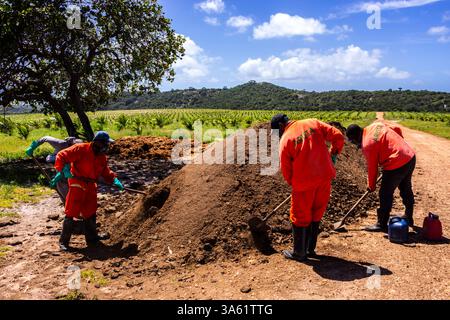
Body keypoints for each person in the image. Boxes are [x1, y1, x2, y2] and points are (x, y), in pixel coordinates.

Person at [272, 114, 345, 262]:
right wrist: (333, 153)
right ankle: (310, 249)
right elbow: (338, 136)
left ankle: (299, 252)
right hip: (325, 178)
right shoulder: (312, 122)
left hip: (304, 184)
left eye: (276, 132)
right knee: (316, 212)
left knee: (299, 216)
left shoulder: (285, 139)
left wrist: (294, 183)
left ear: (280, 126)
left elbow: (286, 170)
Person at [52, 131, 124, 251]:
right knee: (71, 211)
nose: (107, 146)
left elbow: (105, 171)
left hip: (91, 184)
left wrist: (113, 180)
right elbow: (61, 155)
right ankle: (63, 242)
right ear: (97, 143)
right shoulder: (80, 149)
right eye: (105, 144)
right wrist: (64, 169)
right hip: (77, 183)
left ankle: (92, 238)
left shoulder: (101, 157)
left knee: (90, 211)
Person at [346, 122, 416, 232]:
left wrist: (371, 185)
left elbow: (372, 168)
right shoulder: (375, 125)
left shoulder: (368, 144)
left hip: (396, 162)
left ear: (356, 137)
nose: (356, 144)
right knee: (405, 188)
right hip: (409, 156)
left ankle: (382, 223)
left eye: (354, 141)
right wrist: (398, 147)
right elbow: (396, 128)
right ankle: (409, 216)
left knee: (385, 193)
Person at [26, 136, 83, 202]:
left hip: (67, 165)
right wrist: (33, 146)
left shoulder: (78, 152)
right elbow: (45, 137)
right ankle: (67, 202)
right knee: (61, 183)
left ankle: (72, 202)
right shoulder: (61, 144)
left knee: (72, 182)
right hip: (54, 159)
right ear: (71, 145)